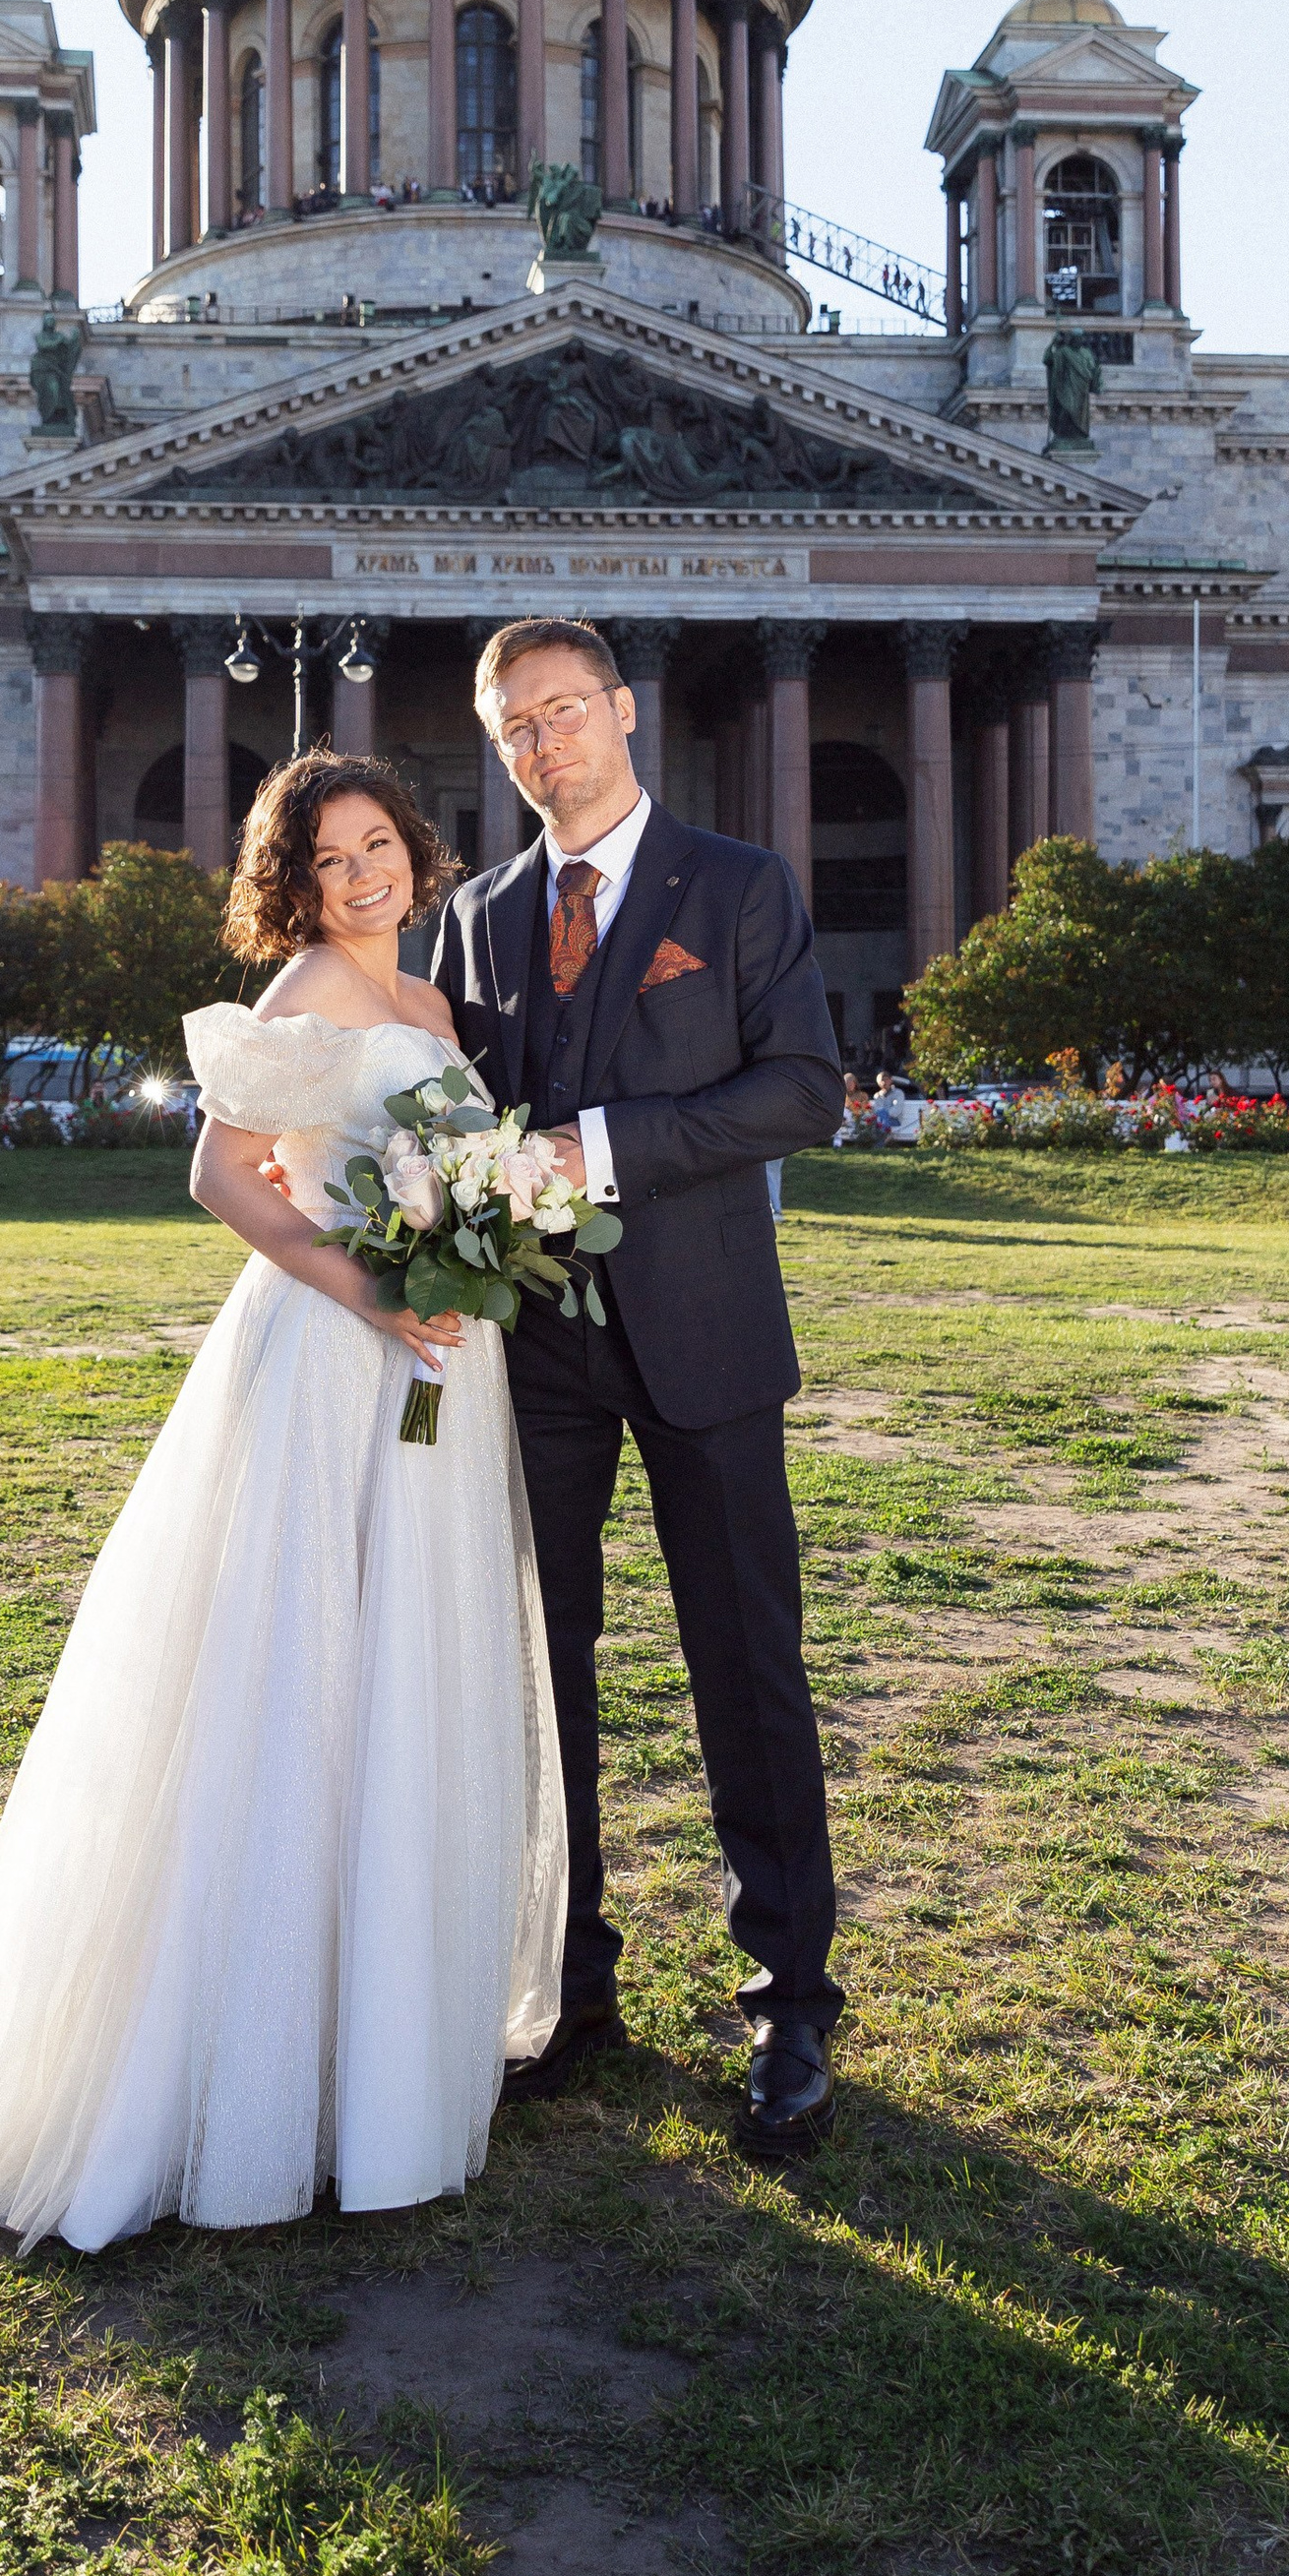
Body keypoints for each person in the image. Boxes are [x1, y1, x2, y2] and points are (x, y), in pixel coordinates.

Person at [0, 752, 564, 2249]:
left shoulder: (432, 1005)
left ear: (416, 848)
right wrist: (367, 1288)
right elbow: (223, 1176)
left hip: (442, 1362)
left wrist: (476, 1246)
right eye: (326, 860)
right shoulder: (307, 992)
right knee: (298, 1670)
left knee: (401, 1672)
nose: (358, 875)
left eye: (376, 845)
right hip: (334, 1350)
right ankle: (250, 2072)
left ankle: (374, 2055)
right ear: (291, 885)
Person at [433, 618, 848, 2160]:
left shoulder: (739, 885)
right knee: (539, 1674)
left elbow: (803, 1089)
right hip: (532, 1347)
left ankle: (789, 2002)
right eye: (516, 728)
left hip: (707, 1336)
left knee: (748, 1669)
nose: (544, 743)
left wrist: (597, 1150)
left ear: (622, 711)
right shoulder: (474, 919)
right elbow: (449, 1111)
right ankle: (566, 1984)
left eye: (564, 710)